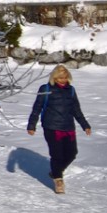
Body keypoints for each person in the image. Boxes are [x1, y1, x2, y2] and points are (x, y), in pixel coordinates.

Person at [26, 64, 92, 195]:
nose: (63, 80)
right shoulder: (45, 89)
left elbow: (76, 110)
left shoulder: (71, 90)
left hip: (68, 126)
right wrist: (31, 125)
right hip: (51, 127)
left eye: (65, 77)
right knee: (57, 155)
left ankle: (55, 171)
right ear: (54, 78)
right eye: (60, 78)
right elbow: (37, 108)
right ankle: (58, 181)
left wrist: (85, 125)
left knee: (72, 153)